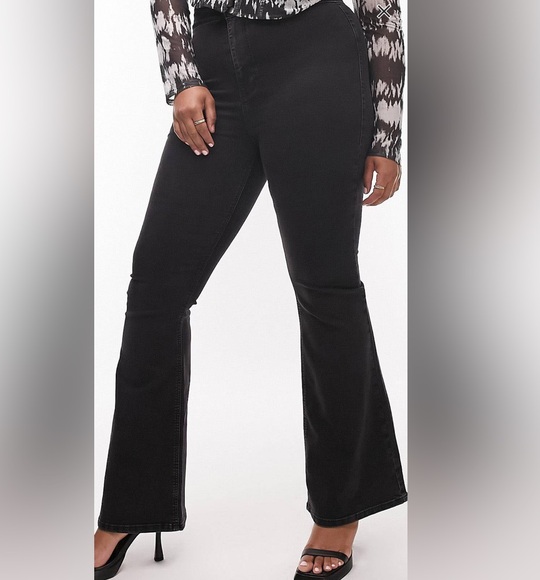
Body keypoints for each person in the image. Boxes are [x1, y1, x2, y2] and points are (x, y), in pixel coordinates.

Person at [94, 0, 407, 578]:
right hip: (215, 65)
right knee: (156, 288)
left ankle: (341, 509)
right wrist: (181, 74)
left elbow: (379, 7)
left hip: (317, 60)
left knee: (326, 286)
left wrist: (386, 131)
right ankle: (130, 507)